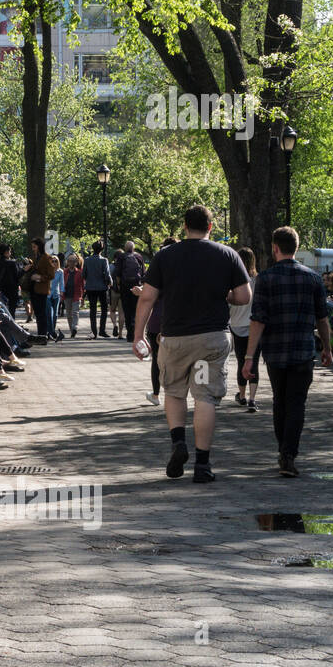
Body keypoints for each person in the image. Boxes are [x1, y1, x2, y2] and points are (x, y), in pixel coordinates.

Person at [132, 205, 251, 483]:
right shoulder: (227, 255)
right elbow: (244, 296)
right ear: (211, 227)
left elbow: (147, 297)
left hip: (175, 339)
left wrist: (138, 335)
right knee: (204, 397)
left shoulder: (165, 256)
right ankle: (203, 465)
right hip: (211, 339)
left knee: (174, 392)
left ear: (184, 226)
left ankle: (178, 442)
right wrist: (227, 298)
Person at [243, 227, 333, 477]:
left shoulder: (266, 279)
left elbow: (258, 319)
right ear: (296, 247)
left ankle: (283, 449)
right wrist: (326, 348)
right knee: (297, 404)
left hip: (275, 352)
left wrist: (249, 356)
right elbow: (322, 318)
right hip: (303, 351)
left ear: (275, 248)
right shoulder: (313, 278)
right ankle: (289, 453)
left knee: (279, 401)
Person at [141, 238, 175, 405]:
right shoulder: (182, 270)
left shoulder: (158, 268)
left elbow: (149, 297)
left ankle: (156, 394)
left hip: (157, 321)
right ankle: (174, 393)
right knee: (174, 359)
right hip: (177, 322)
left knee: (157, 360)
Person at [228, 247, 261, 412]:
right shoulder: (258, 280)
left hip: (236, 324)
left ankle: (241, 396)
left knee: (242, 360)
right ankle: (253, 398)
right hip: (255, 325)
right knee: (254, 360)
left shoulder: (233, 280)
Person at [114, 241, 147, 342]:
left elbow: (118, 273)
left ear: (125, 248)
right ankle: (136, 332)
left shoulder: (121, 257)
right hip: (137, 286)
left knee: (127, 310)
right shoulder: (139, 257)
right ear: (134, 248)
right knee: (136, 310)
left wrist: (119, 285)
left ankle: (130, 334)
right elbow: (143, 273)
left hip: (125, 287)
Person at [82, 242, 113, 338]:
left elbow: (83, 274)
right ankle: (102, 330)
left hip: (90, 287)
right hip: (102, 287)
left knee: (93, 309)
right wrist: (110, 282)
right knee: (104, 309)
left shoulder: (87, 260)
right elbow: (107, 274)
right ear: (102, 249)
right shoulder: (104, 260)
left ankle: (94, 331)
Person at [0, 244, 23, 320]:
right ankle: (12, 326)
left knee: (0, 309)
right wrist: (24, 270)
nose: (10, 253)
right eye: (10, 251)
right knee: (11, 310)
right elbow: (17, 276)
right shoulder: (12, 263)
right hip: (12, 290)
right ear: (6, 252)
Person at [62, 253, 85, 338]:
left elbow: (83, 285)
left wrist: (83, 297)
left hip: (77, 295)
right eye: (69, 261)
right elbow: (61, 284)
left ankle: (75, 327)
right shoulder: (64, 272)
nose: (71, 263)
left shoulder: (79, 272)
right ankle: (72, 331)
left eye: (73, 261)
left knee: (75, 312)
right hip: (67, 295)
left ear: (76, 262)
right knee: (68, 314)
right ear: (67, 262)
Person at [47, 255, 65, 342]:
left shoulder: (60, 271)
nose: (54, 262)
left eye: (55, 261)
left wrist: (62, 292)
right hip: (47, 295)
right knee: (50, 313)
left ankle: (52, 332)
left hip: (56, 295)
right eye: (52, 261)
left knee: (55, 315)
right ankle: (51, 332)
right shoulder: (47, 271)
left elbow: (62, 283)